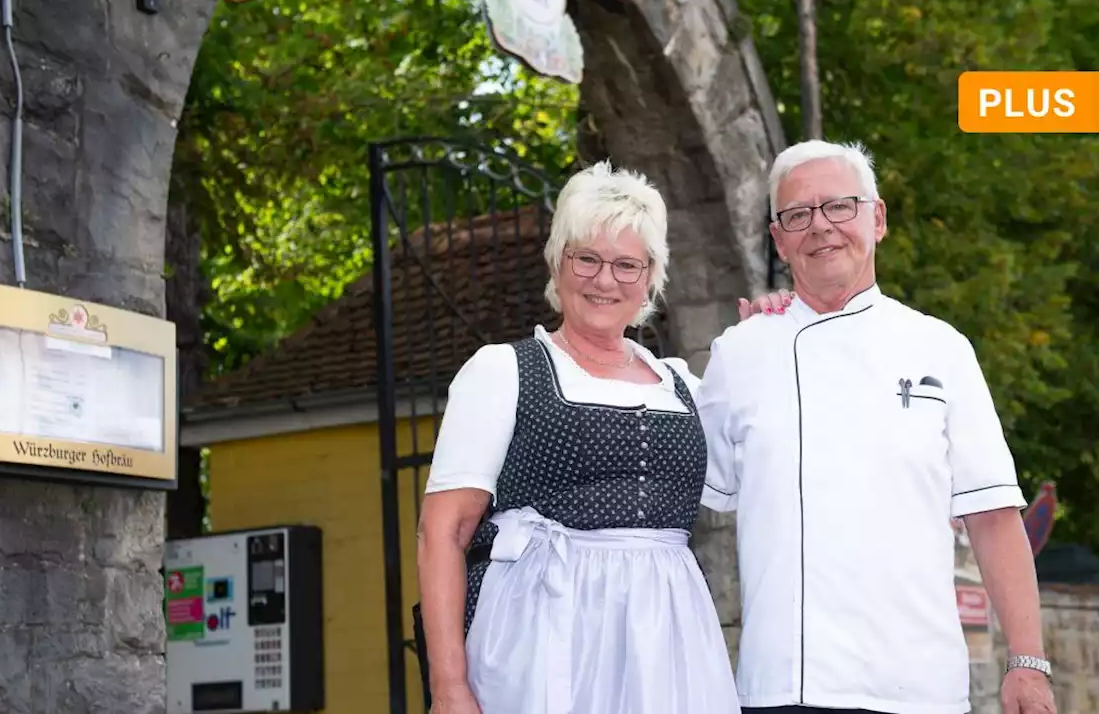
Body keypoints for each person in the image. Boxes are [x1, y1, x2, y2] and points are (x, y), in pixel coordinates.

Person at [698, 140, 1057, 714]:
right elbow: (680, 491)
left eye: (839, 206)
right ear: (778, 239)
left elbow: (992, 516)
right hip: (784, 686)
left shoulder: (941, 348)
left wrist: (1028, 662)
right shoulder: (741, 352)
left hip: (921, 687)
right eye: (797, 215)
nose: (821, 227)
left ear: (878, 218)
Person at [417, 160, 778, 714]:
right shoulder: (502, 372)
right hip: (542, 632)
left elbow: (766, 463)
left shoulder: (682, 383)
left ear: (651, 277)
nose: (605, 280)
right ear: (558, 263)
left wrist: (768, 345)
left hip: (668, 636)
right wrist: (449, 686)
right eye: (586, 258)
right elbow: (444, 533)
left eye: (627, 265)